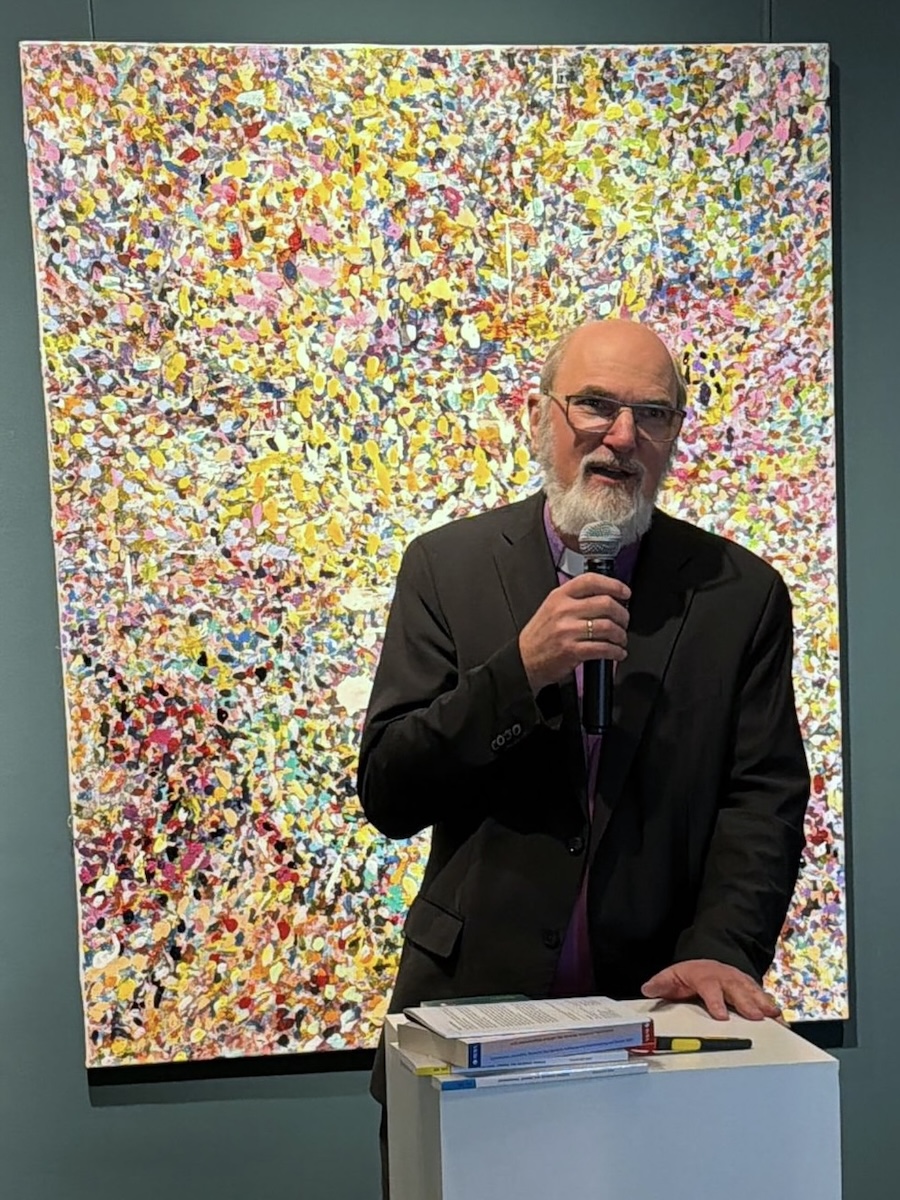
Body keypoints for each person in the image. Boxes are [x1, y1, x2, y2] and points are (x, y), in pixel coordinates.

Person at [356, 318, 810, 1195]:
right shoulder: (446, 567)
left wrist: (724, 947)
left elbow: (761, 799)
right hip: (470, 1030)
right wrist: (520, 673)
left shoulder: (739, 594)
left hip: (661, 1026)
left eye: (652, 413)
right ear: (540, 415)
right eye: (596, 405)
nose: (622, 436)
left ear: (674, 434)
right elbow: (390, 790)